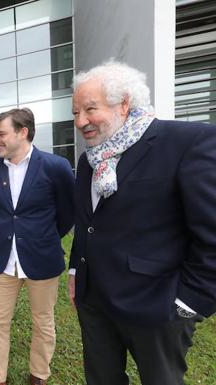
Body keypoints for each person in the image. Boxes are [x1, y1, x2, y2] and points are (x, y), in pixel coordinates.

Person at [69, 61, 216, 385]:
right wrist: (76, 271)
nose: (81, 121)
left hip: (156, 306)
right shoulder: (88, 159)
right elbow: (87, 222)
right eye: (76, 112)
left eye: (90, 109)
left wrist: (188, 304)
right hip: (95, 302)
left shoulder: (185, 142)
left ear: (124, 103)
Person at [0, 108, 75, 385]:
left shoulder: (55, 166)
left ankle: (39, 375)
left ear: (23, 132)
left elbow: (67, 213)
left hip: (43, 259)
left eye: (1, 134)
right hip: (4, 260)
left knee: (43, 322)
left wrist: (42, 236)